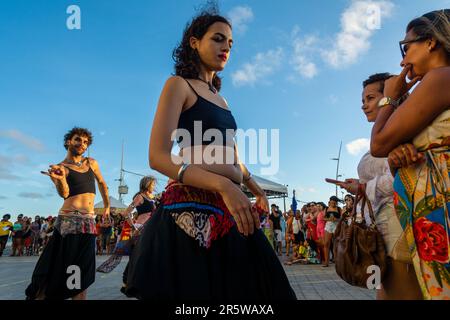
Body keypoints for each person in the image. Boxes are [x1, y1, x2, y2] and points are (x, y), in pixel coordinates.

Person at [124, 9, 295, 300]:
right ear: (194, 42)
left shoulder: (223, 100)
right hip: (189, 206)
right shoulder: (179, 85)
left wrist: (255, 190)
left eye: (230, 42)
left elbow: (234, 159)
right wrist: (223, 184)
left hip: (230, 207)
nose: (226, 47)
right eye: (218, 39)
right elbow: (158, 156)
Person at [370, 10, 450, 300]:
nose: (402, 61)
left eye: (406, 47)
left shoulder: (441, 77)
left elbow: (378, 143)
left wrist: (389, 97)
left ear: (431, 42)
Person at [336, 72, 423, 299]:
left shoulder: (404, 130)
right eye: (363, 100)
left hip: (399, 224)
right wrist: (360, 185)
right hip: (381, 228)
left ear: (390, 97)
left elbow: (406, 176)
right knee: (384, 291)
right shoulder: (387, 131)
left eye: (371, 98)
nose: (364, 105)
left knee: (400, 292)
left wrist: (364, 188)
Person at [25, 127, 110, 300]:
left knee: (81, 274)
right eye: (78, 139)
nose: (82, 144)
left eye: (85, 142)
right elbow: (64, 193)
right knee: (57, 269)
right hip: (68, 223)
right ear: (68, 142)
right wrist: (60, 179)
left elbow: (102, 183)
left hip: (89, 223)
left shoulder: (91, 163)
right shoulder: (61, 167)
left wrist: (107, 206)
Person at [322, 196, 341, 267]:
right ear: (330, 201)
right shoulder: (326, 208)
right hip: (328, 226)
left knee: (336, 244)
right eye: (332, 202)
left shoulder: (339, 209)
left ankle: (337, 260)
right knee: (326, 243)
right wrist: (329, 219)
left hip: (336, 226)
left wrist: (335, 219)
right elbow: (323, 218)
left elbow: (341, 219)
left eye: (335, 202)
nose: (333, 203)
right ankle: (326, 262)